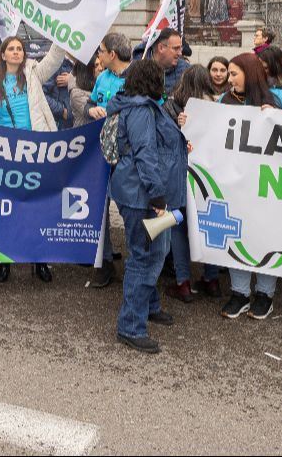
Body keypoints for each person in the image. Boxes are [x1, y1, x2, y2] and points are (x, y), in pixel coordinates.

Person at [107, 60, 187, 354]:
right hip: (142, 195)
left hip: (140, 192)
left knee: (156, 250)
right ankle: (131, 326)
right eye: (161, 77)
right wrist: (157, 197)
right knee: (145, 258)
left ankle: (149, 306)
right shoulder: (141, 110)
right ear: (151, 80)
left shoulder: (144, 106)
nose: (164, 81)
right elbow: (145, 154)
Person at [0, 36, 65, 284]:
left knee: (37, 207)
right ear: (2, 54)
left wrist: (64, 32)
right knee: (8, 208)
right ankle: (6, 259)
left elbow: (56, 57)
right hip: (5, 154)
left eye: (19, 49)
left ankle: (40, 259)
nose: (16, 52)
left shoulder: (34, 74)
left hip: (36, 151)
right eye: (11, 49)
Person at [214, 54, 282, 319]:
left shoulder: (275, 101)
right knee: (237, 235)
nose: (228, 80)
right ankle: (240, 292)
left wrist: (278, 118)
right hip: (234, 182)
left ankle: (265, 294)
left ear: (250, 73)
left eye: (234, 74)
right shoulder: (224, 101)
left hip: (266, 184)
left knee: (266, 237)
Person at [162, 65, 221, 300]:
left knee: (178, 225)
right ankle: (212, 278)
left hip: (179, 173)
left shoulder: (170, 106)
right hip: (207, 176)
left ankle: (183, 281)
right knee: (208, 225)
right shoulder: (216, 108)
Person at [84, 32, 131, 120]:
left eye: (101, 51)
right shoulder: (102, 77)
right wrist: (91, 110)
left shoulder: (139, 78)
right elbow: (89, 104)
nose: (98, 54)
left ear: (112, 55)